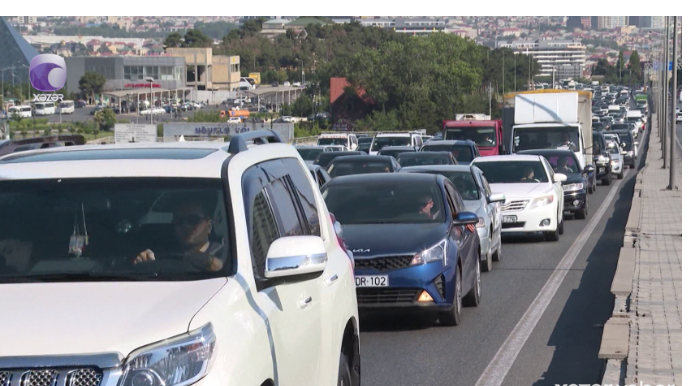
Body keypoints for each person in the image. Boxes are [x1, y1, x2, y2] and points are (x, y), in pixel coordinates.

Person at [134, 200, 226, 272]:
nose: (185, 226)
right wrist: (145, 262)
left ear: (209, 226)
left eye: (192, 220)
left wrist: (209, 262)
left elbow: (233, 273)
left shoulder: (225, 253)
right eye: (179, 221)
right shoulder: (164, 253)